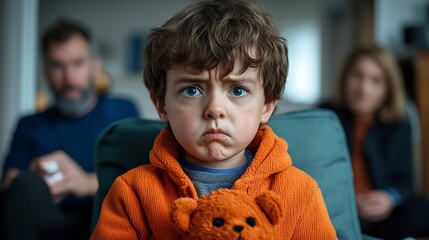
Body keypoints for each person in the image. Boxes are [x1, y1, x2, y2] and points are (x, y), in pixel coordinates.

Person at [91, 0, 337, 239]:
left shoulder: (300, 192)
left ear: (267, 106)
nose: (215, 109)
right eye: (192, 90)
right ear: (162, 105)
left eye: (238, 90)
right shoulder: (132, 192)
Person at [0, 20, 139, 240]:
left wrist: (84, 182)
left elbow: (140, 179)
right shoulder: (29, 124)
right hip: (48, 223)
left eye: (77, 63)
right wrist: (36, 179)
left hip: (104, 221)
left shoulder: (122, 111)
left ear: (95, 65)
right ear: (46, 71)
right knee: (26, 183)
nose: (69, 78)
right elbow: (9, 182)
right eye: (57, 66)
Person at [321, 45, 429, 239]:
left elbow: (406, 181)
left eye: (376, 81)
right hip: (337, 208)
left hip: (382, 213)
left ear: (388, 89)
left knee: (421, 209)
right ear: (345, 78)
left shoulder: (399, 123)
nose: (364, 88)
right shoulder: (324, 115)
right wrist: (345, 200)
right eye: (357, 76)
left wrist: (389, 197)